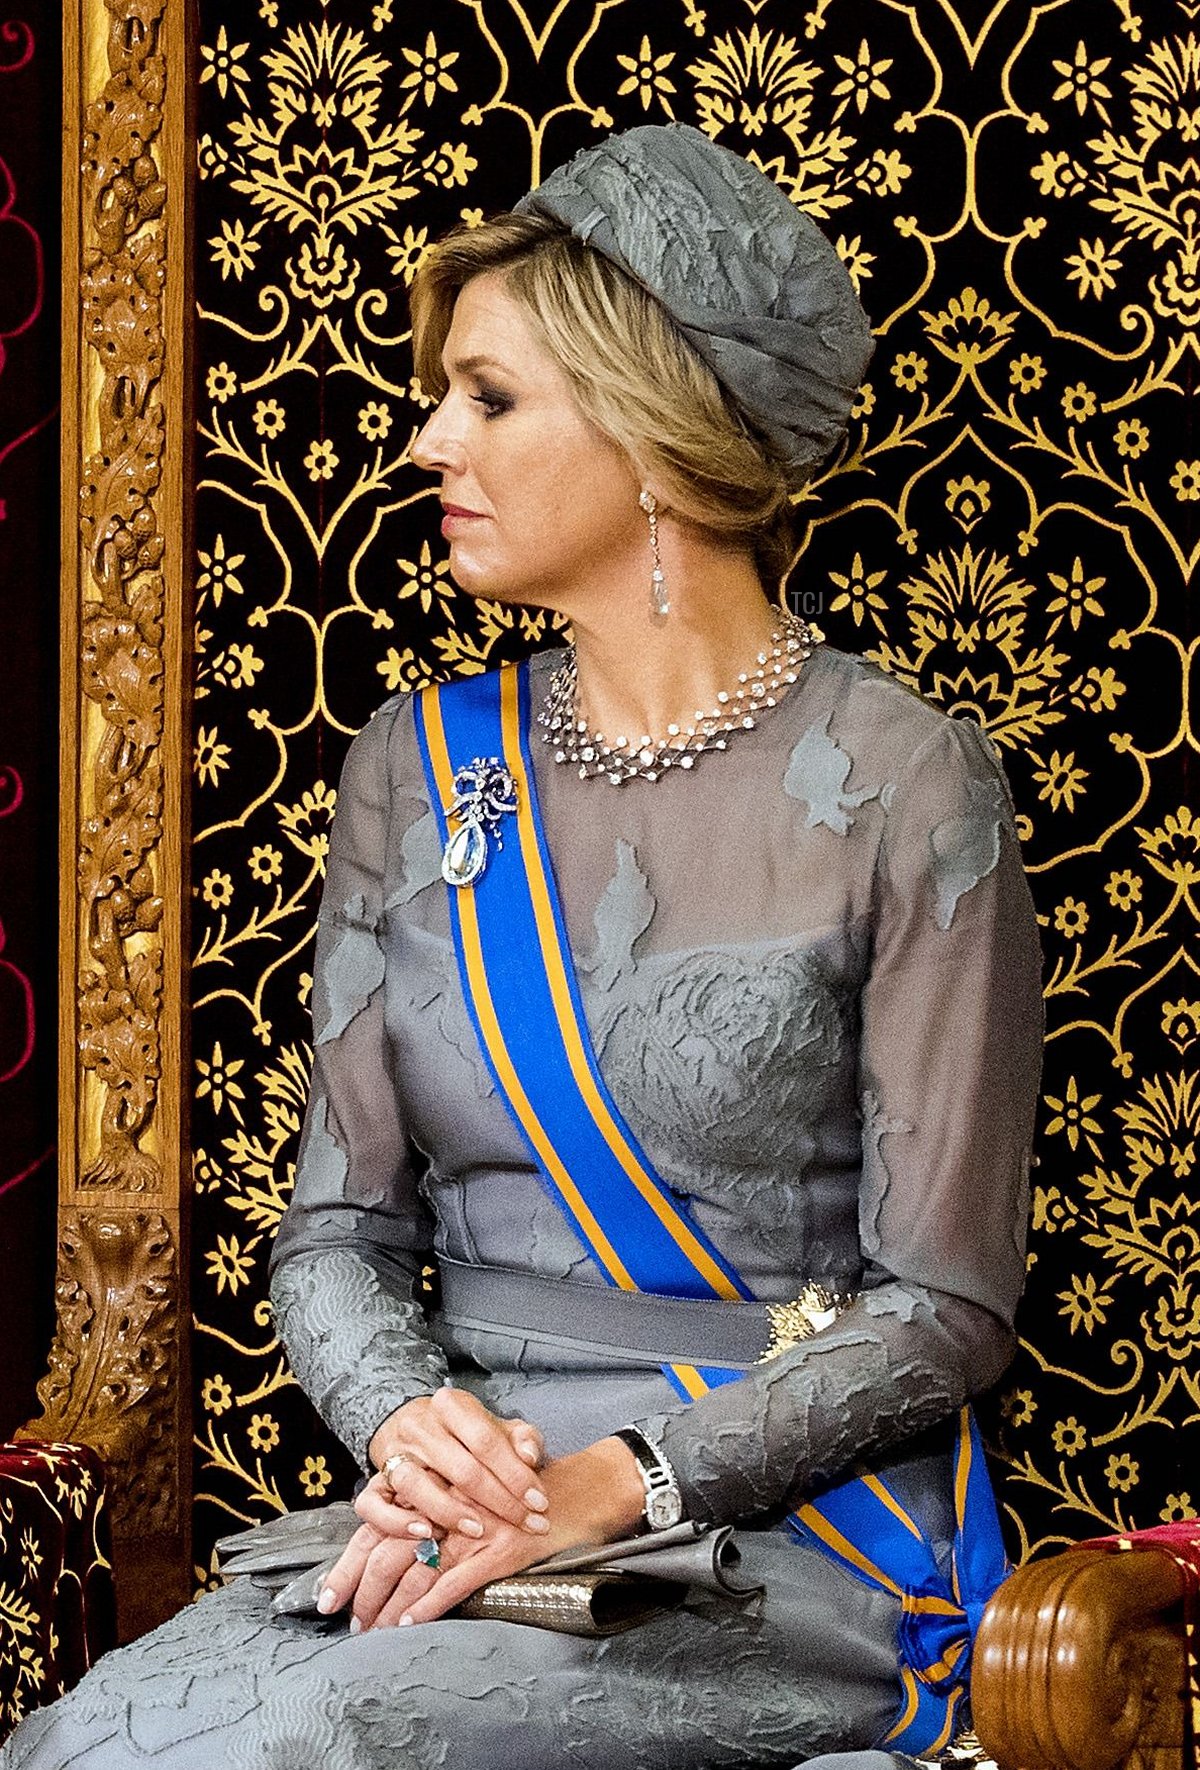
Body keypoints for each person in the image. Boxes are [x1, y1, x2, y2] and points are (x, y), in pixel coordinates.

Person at [1, 122, 1044, 1770]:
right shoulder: (412, 769)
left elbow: (944, 1305)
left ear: (650, 430)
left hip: (776, 1543)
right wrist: (415, 1432)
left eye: (488, 398)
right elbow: (337, 1231)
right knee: (95, 1742)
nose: (429, 441)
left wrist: (603, 1485)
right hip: (452, 1516)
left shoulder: (910, 783)